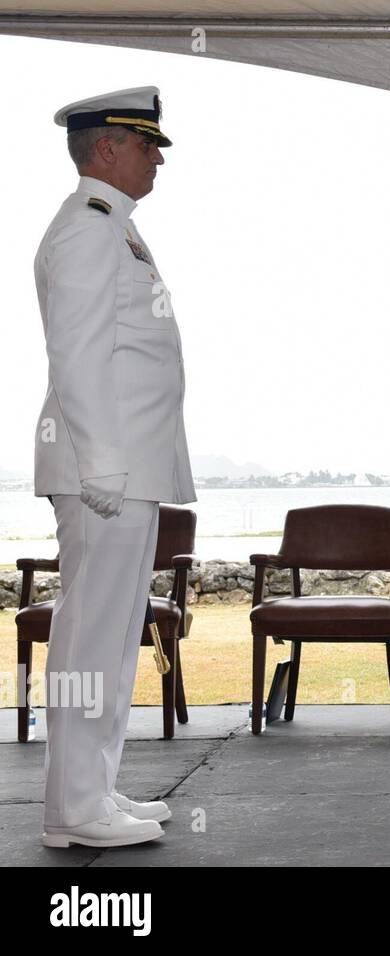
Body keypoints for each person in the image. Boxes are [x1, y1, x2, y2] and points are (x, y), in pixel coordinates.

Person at [35, 87, 195, 847]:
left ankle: (92, 788)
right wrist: (99, 460)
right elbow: (78, 354)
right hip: (106, 472)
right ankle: (73, 808)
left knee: (109, 631)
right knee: (90, 636)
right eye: (147, 143)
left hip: (125, 469)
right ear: (107, 149)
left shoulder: (116, 231)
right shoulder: (89, 232)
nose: (158, 156)